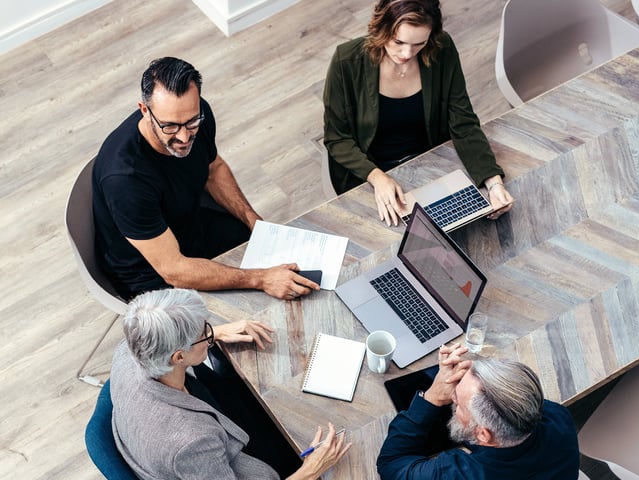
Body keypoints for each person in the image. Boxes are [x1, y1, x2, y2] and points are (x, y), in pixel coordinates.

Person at [93, 57, 318, 301]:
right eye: (169, 126)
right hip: (148, 271)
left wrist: (254, 221)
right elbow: (174, 270)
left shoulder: (200, 114)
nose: (183, 136)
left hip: (189, 226)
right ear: (145, 111)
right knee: (249, 310)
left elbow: (215, 169)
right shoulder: (125, 180)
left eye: (191, 122)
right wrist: (261, 278)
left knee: (284, 263)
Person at [110, 288, 352, 479]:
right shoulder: (192, 443)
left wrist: (218, 332)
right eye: (203, 332)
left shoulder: (129, 349)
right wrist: (310, 472)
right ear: (179, 356)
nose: (209, 334)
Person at [323, 0, 514, 226]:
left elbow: (463, 122)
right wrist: (377, 177)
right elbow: (337, 138)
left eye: (418, 44)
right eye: (398, 42)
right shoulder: (346, 61)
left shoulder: (441, 49)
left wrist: (493, 183)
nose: (406, 53)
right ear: (381, 28)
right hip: (371, 171)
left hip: (433, 160)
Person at [377, 343, 580, 479]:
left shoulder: (460, 474)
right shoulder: (557, 417)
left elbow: (392, 464)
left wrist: (433, 398)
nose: (451, 397)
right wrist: (476, 379)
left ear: (483, 434)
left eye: (458, 403)